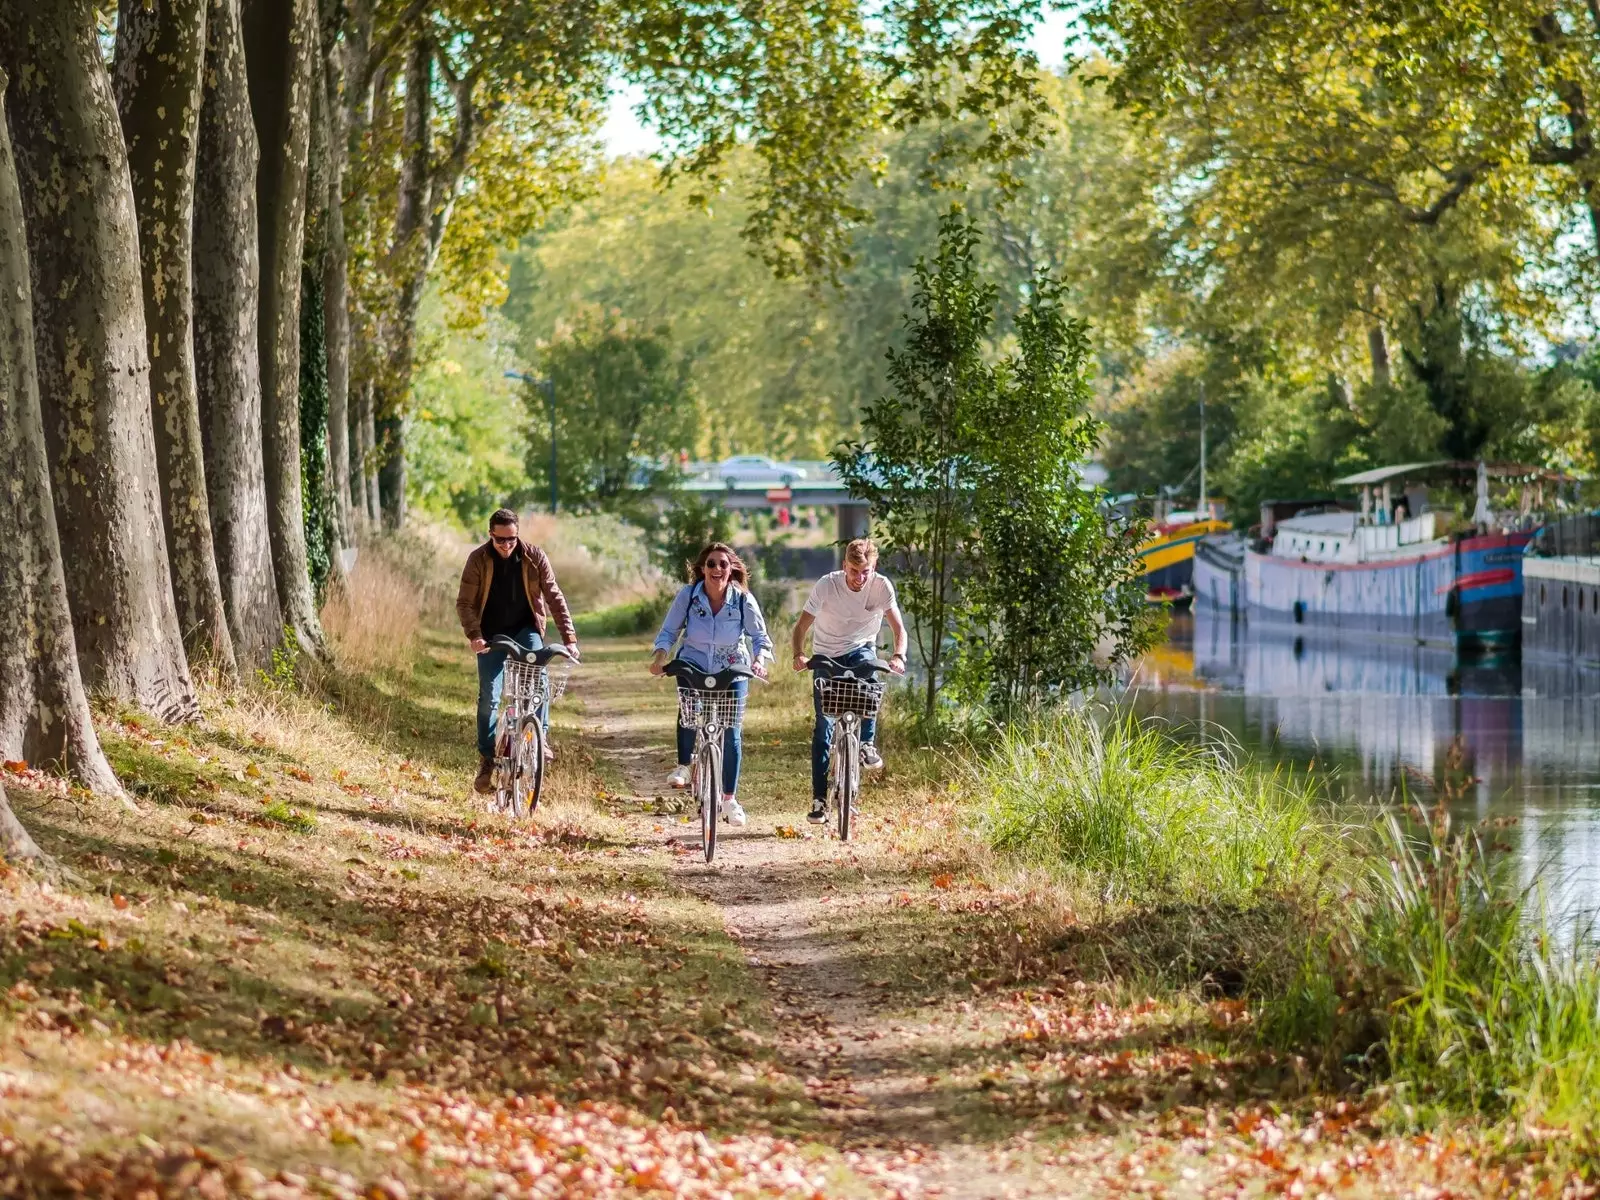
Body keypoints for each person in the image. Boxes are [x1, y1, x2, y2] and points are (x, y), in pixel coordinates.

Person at [649, 542, 773, 827]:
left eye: (723, 564)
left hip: (732, 668)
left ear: (732, 570)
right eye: (711, 564)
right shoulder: (689, 595)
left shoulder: (742, 598)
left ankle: (729, 799)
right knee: (690, 713)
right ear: (702, 569)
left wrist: (759, 661)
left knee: (731, 732)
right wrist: (660, 657)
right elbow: (669, 630)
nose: (717, 569)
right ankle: (683, 766)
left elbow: (760, 638)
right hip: (693, 662)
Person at [456, 509, 579, 795]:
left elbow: (553, 596)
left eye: (512, 539)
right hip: (490, 635)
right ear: (491, 535)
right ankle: (487, 758)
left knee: (539, 679)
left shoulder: (534, 556)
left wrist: (569, 638)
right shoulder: (478, 560)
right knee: (490, 695)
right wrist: (475, 635)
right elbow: (465, 603)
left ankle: (541, 737)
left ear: (517, 534)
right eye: (500, 540)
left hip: (526, 630)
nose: (507, 545)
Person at [791, 538, 908, 824]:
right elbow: (801, 627)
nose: (859, 578)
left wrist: (898, 656)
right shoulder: (826, 585)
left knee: (870, 677)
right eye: (854, 571)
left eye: (865, 571)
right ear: (844, 566)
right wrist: (799, 655)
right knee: (824, 726)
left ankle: (866, 744)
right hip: (826, 655)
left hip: (860, 650)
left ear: (874, 567)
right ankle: (819, 799)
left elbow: (899, 629)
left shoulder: (881, 586)